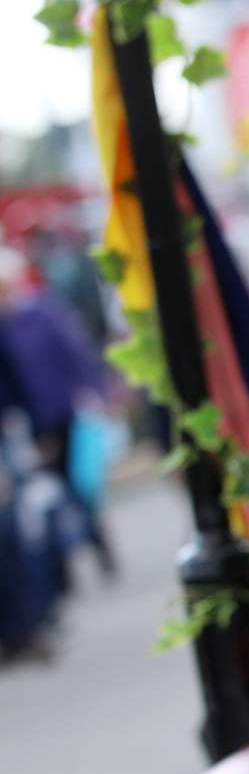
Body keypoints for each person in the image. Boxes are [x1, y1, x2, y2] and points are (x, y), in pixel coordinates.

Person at [0, 246, 116, 583]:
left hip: (64, 412)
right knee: (47, 493)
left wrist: (96, 391)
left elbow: (73, 351)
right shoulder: (4, 327)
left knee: (79, 485)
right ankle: (61, 569)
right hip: (32, 422)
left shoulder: (42, 311)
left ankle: (98, 546)